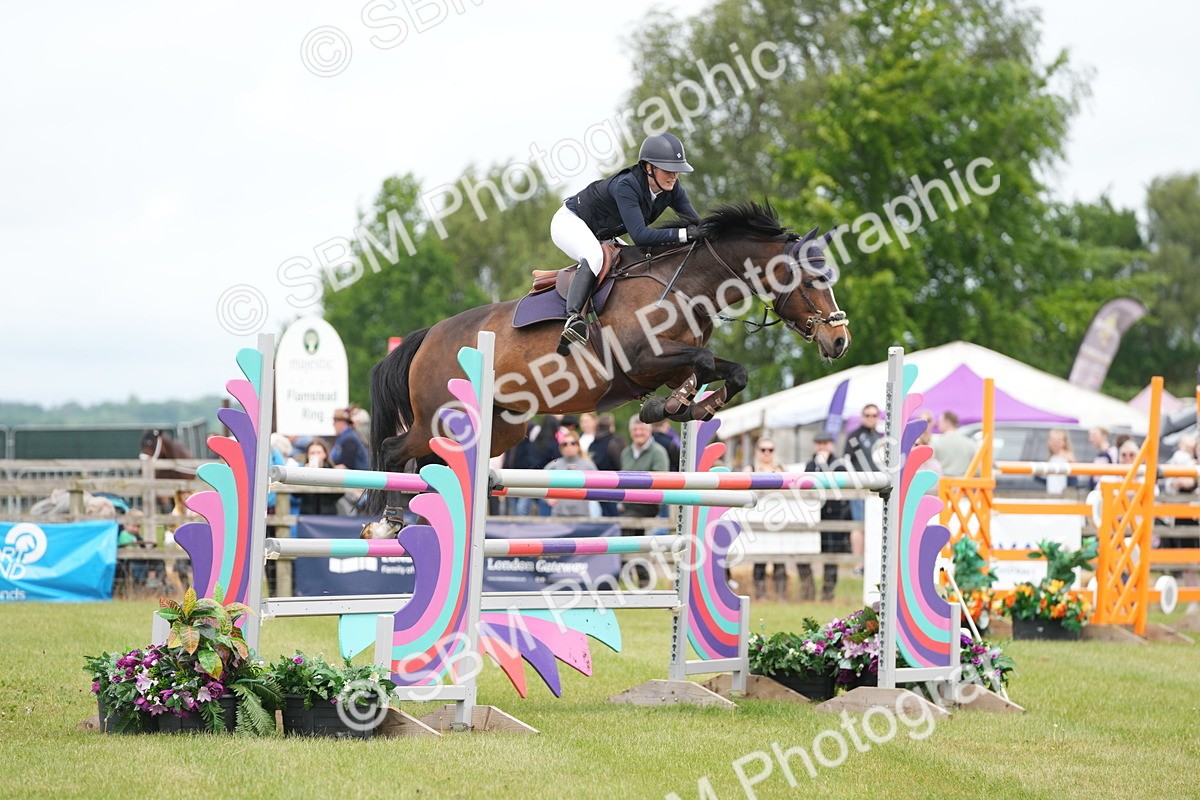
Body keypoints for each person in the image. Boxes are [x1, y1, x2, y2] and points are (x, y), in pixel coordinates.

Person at [551, 131, 701, 354]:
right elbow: (640, 236)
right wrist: (684, 235)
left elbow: (696, 225)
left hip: (603, 233)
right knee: (595, 257)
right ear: (649, 168)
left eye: (677, 171)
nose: (674, 176)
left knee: (634, 261)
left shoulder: (673, 190)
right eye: (668, 170)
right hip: (570, 222)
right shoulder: (627, 185)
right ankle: (573, 320)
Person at [802, 432, 853, 602]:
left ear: (831, 445)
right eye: (819, 443)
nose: (822, 447)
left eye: (826, 443)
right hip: (814, 515)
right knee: (808, 551)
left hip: (834, 514)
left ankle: (828, 592)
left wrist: (823, 467)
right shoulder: (810, 465)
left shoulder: (839, 464)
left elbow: (837, 487)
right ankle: (808, 592)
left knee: (831, 554)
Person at [619, 419, 670, 587]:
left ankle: (632, 576)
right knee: (626, 534)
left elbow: (659, 479)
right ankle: (632, 577)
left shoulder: (658, 452)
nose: (638, 433)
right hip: (627, 504)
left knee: (628, 533)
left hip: (648, 503)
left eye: (641, 430)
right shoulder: (626, 452)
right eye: (635, 430)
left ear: (649, 431)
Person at [745, 436, 787, 601]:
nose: (767, 453)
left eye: (770, 450)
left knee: (781, 558)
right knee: (759, 560)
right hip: (757, 519)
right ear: (757, 451)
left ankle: (781, 595)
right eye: (763, 449)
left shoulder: (782, 469)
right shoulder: (750, 469)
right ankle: (760, 595)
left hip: (778, 520)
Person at [843, 404, 882, 559]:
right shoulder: (854, 436)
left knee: (876, 524)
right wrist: (854, 481)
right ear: (862, 416)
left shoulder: (880, 437)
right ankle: (858, 562)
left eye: (874, 415)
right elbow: (846, 460)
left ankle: (873, 559)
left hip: (878, 487)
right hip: (859, 487)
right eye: (867, 415)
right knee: (859, 524)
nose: (870, 418)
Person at [544, 431, 598, 517]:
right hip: (559, 514)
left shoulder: (588, 465)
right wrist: (547, 497)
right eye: (565, 444)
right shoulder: (554, 465)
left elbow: (599, 485)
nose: (569, 446)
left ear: (578, 446)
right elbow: (538, 481)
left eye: (573, 443)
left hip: (582, 514)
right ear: (561, 448)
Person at [588, 413, 626, 517]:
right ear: (611, 426)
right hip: (613, 486)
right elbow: (621, 464)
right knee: (614, 519)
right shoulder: (615, 442)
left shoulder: (592, 445)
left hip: (594, 486)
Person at [298, 439, 340, 515]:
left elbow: (338, 495)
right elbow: (296, 494)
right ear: (307, 455)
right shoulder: (303, 470)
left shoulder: (332, 470)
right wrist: (304, 475)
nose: (315, 455)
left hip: (328, 514)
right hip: (307, 514)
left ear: (324, 454)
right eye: (312, 453)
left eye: (318, 452)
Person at [932, 410, 976, 478]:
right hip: (964, 484)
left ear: (947, 422)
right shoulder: (970, 443)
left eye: (940, 422)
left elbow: (931, 464)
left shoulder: (936, 443)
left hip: (944, 484)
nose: (938, 424)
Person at [1043, 428, 1076, 495]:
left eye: (1058, 440)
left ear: (1064, 442)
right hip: (1052, 494)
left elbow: (1073, 479)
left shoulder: (1068, 457)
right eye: (1053, 440)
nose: (1055, 443)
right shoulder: (1052, 458)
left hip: (1063, 496)